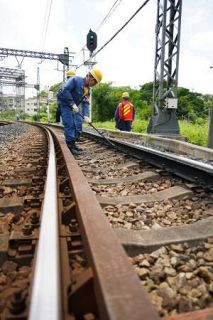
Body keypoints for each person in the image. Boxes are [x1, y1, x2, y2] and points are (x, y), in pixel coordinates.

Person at [57, 68, 102, 155]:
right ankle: (70, 146)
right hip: (65, 105)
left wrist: (86, 115)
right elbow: (65, 90)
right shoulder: (75, 80)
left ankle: (73, 144)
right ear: (90, 78)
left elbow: (85, 102)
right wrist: (72, 103)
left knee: (75, 124)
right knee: (69, 124)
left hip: (74, 107)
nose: (94, 85)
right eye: (95, 82)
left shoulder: (87, 90)